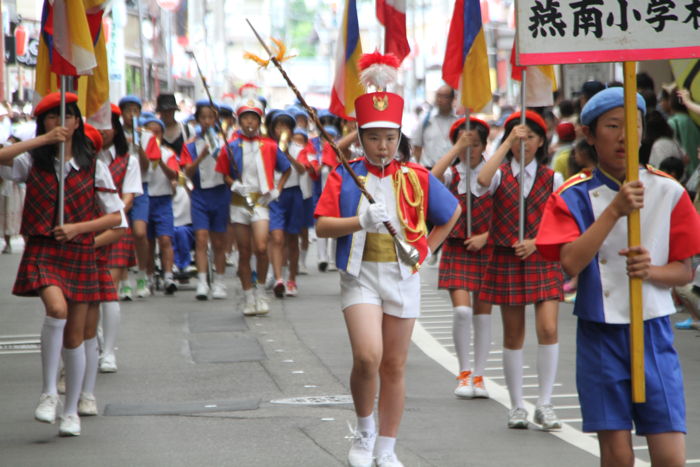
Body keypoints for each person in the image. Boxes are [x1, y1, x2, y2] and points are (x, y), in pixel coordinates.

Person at [536, 86, 700, 467]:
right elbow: (570, 263)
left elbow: (683, 271)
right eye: (612, 126)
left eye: (633, 124)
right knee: (617, 455)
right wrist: (614, 210)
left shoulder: (669, 190)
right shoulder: (571, 195)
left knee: (670, 455)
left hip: (655, 330)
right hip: (600, 334)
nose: (625, 135)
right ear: (590, 136)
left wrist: (651, 270)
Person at [315, 54, 460, 467]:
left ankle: (386, 448)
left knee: (394, 365)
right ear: (359, 138)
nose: (382, 146)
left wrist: (427, 248)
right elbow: (322, 227)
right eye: (373, 137)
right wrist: (357, 221)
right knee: (368, 356)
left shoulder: (416, 176)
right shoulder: (345, 174)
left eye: (389, 138)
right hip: (360, 275)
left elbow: (451, 214)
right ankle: (363, 433)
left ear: (399, 138)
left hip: (402, 275)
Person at [0, 93, 124, 436]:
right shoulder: (31, 162)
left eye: (68, 117)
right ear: (42, 124)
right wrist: (40, 141)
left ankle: (73, 410)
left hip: (79, 250)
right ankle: (49, 393)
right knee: (56, 309)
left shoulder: (93, 164)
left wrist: (77, 228)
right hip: (42, 248)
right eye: (53, 118)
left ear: (79, 122)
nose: (62, 123)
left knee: (76, 335)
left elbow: (117, 218)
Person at [474, 110, 564, 430]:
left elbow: (561, 222)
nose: (523, 143)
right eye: (517, 137)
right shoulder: (498, 173)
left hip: (541, 258)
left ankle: (545, 404)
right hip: (506, 258)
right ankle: (516, 406)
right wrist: (507, 140)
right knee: (513, 334)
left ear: (541, 142)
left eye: (529, 137)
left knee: (549, 329)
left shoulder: (553, 178)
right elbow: (481, 182)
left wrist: (537, 242)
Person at [431, 116, 493, 399]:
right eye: (466, 144)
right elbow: (431, 178)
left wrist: (486, 237)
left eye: (476, 144)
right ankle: (464, 372)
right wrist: (457, 148)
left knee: (482, 315)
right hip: (457, 247)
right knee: (462, 311)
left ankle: (479, 376)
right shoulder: (452, 174)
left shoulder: (494, 173)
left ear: (484, 145)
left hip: (487, 247)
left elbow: (506, 212)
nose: (471, 150)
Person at [215, 98, 291, 315]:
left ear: (259, 121)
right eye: (246, 118)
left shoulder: (270, 146)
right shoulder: (230, 147)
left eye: (253, 118)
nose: (250, 122)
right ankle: (248, 296)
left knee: (260, 247)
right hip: (239, 203)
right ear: (239, 121)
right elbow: (224, 174)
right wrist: (234, 184)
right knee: (244, 251)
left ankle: (260, 293)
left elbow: (286, 169)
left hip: (260, 202)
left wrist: (278, 189)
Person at [78, 124, 127, 417]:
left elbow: (117, 221)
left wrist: (87, 242)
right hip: (62, 254)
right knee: (60, 315)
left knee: (103, 300)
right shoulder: (49, 167)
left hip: (93, 249)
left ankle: (105, 355)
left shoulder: (101, 170)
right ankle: (59, 382)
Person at [96, 103, 143, 372]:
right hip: (85, 227)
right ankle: (96, 337)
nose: (103, 131)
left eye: (108, 125)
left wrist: (111, 215)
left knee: (108, 287)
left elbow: (128, 198)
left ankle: (109, 351)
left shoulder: (129, 160)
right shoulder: (83, 157)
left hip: (115, 228)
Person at [179, 100, 232, 300]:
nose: (208, 121)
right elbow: (187, 172)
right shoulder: (190, 144)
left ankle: (219, 281)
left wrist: (220, 152)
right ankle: (202, 281)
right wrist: (201, 156)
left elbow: (232, 168)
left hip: (220, 194)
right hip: (200, 195)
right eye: (204, 117)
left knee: (219, 242)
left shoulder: (225, 141)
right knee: (201, 239)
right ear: (198, 120)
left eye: (211, 117)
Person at [265, 110, 306, 297]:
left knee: (292, 239)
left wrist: (288, 155)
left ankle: (292, 279)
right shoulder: (266, 147)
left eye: (286, 127)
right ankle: (278, 278)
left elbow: (303, 170)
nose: (282, 130)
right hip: (274, 195)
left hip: (294, 194)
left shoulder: (298, 148)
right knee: (277, 237)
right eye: (278, 126)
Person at [141, 116, 180, 294]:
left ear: (162, 134)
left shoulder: (168, 153)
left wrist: (159, 159)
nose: (154, 135)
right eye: (150, 132)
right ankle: (148, 278)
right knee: (147, 242)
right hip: (145, 198)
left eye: (157, 132)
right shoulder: (139, 152)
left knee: (165, 239)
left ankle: (168, 276)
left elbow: (174, 175)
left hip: (163, 200)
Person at [119, 95, 151, 298]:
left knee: (140, 233)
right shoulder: (116, 134)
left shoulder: (146, 135)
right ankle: (123, 282)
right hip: (119, 187)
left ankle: (142, 276)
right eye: (128, 110)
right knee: (121, 233)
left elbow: (147, 167)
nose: (132, 115)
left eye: (135, 110)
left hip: (140, 187)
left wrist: (139, 147)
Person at [411, 85, 458, 169]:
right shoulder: (426, 118)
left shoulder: (458, 121)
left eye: (445, 97)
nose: (440, 100)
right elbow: (417, 147)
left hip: (452, 171)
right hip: (429, 169)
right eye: (438, 95)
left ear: (452, 99)